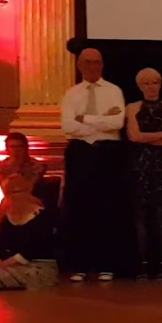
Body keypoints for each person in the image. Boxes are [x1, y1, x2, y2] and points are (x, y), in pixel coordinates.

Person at [60, 47, 127, 282]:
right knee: (80, 209)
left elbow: (117, 122)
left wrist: (85, 119)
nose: (93, 67)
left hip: (107, 153)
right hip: (80, 153)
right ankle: (79, 265)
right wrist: (101, 120)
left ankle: (106, 264)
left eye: (97, 62)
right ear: (80, 65)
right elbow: (68, 126)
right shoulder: (71, 94)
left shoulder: (114, 91)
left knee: (107, 209)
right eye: (88, 62)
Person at [126, 68, 162, 279]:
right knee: (141, 219)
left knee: (161, 217)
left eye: (154, 82)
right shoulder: (132, 108)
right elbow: (134, 136)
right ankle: (143, 263)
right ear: (140, 86)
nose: (151, 87)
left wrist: (150, 137)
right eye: (146, 83)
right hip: (139, 168)